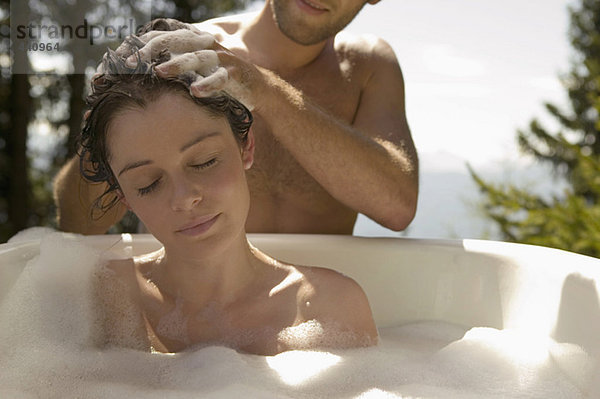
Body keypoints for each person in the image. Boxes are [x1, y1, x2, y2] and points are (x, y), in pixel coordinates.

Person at [85, 37, 378, 355]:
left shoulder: (328, 310)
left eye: (204, 161)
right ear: (124, 195)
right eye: (148, 183)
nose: (184, 198)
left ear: (246, 147)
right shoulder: (98, 300)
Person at [53, 0, 418, 235]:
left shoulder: (368, 66)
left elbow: (397, 208)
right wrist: (107, 128)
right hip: (190, 324)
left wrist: (265, 91)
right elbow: (77, 225)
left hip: (321, 316)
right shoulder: (186, 51)